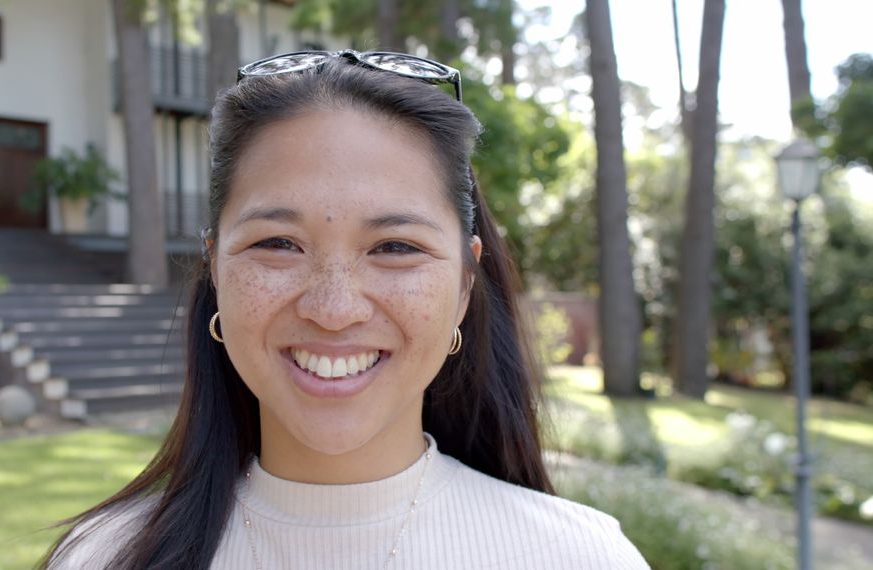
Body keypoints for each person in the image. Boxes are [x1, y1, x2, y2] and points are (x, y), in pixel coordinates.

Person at [40, 50, 649, 570]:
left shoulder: (580, 556)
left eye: (394, 248)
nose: (333, 309)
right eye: (278, 244)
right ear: (217, 270)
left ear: (465, 283)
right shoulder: (102, 557)